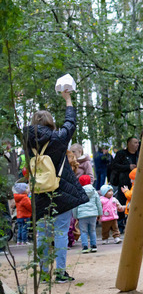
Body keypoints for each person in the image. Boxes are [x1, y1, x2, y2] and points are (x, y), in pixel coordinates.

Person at [23, 89, 88, 283]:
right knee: (60, 232)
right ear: (51, 124)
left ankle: (43, 274)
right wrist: (68, 100)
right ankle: (60, 273)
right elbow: (70, 123)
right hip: (61, 191)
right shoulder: (58, 139)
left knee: (42, 233)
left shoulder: (27, 143)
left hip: (39, 192)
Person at [111, 137, 139, 232]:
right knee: (122, 203)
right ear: (129, 144)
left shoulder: (139, 154)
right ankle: (120, 225)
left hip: (137, 183)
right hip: (124, 183)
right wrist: (128, 167)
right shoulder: (121, 154)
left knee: (136, 203)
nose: (137, 144)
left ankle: (135, 224)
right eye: (135, 143)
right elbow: (114, 165)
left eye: (138, 143)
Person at [72, 174, 101, 254]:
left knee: (83, 231)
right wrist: (99, 213)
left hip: (82, 215)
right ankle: (94, 246)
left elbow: (75, 205)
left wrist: (75, 216)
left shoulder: (78, 192)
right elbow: (98, 203)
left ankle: (85, 247)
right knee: (92, 230)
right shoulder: (94, 191)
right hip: (93, 214)